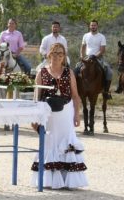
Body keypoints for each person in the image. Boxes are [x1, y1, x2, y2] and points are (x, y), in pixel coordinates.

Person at [35, 42, 88, 190]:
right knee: (50, 141)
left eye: (61, 54)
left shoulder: (69, 72)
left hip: (66, 111)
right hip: (48, 113)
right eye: (55, 53)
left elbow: (76, 96)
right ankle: (49, 179)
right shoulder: (41, 72)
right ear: (49, 54)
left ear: (64, 56)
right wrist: (36, 118)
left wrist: (77, 115)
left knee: (66, 141)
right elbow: (37, 98)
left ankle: (67, 179)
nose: (57, 56)